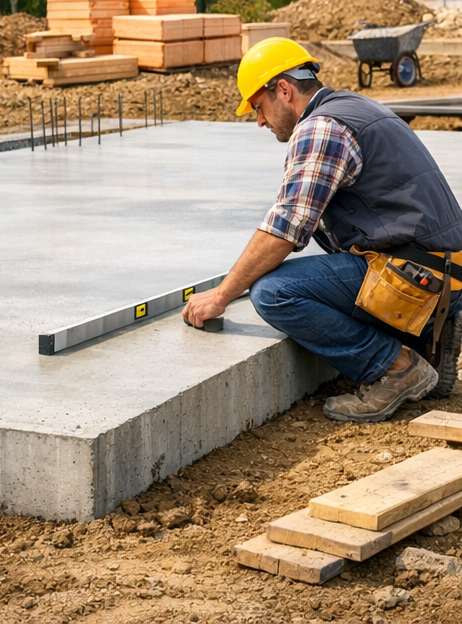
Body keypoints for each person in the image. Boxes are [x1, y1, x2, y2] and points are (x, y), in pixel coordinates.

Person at [182, 38, 462, 423]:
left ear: (283, 90)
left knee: (273, 291)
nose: (259, 121)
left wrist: (222, 294)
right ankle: (428, 337)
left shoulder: (322, 128)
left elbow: (284, 229)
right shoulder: (355, 106)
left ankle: (395, 366)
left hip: (416, 278)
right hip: (444, 275)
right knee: (333, 263)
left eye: (258, 107)